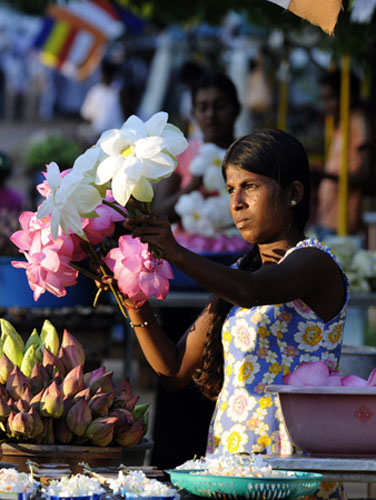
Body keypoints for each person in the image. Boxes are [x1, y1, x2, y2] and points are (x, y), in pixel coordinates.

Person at [121, 129, 348, 499]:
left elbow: (253, 294)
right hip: (231, 471)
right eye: (230, 189)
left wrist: (175, 252)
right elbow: (175, 370)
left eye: (251, 187)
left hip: (293, 473)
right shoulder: (242, 272)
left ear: (293, 193)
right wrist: (132, 298)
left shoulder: (314, 263)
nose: (237, 202)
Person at [153, 71, 241, 222]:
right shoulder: (182, 153)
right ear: (193, 113)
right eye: (203, 108)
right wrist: (193, 186)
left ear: (237, 109)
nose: (211, 115)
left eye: (219, 106)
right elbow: (159, 213)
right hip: (186, 245)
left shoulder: (248, 152)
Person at [311, 70, 373, 239]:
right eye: (324, 99)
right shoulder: (340, 125)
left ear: (348, 96)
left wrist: (324, 175)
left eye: (330, 98)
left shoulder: (358, 123)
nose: (326, 105)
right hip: (328, 215)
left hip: (343, 221)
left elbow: (364, 175)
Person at [80, 60, 124, 141]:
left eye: (108, 75)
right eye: (104, 75)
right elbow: (86, 114)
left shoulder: (119, 91)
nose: (104, 77)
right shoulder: (95, 92)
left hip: (116, 134)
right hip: (97, 134)